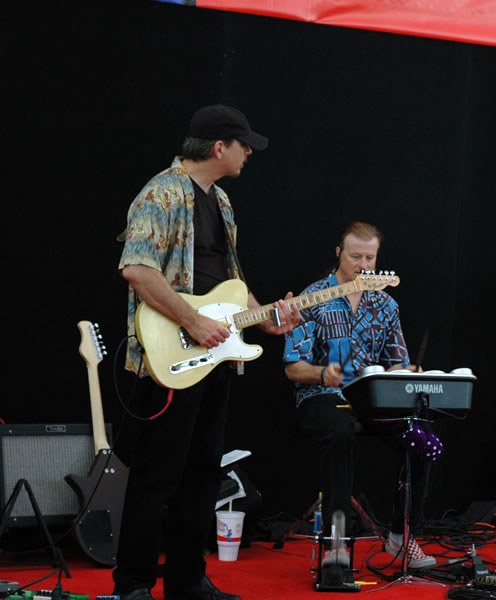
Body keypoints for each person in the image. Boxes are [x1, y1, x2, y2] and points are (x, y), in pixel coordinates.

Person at [114, 104, 300, 600]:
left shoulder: (221, 202)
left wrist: (267, 317)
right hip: (170, 357)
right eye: (244, 146)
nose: (249, 154)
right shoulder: (161, 192)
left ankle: (187, 581)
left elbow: (230, 284)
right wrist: (192, 321)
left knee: (201, 475)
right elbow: (137, 269)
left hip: (215, 356)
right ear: (219, 147)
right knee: (157, 476)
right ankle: (133, 584)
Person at [283, 221, 436, 569]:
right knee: (339, 433)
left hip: (368, 397)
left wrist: (408, 372)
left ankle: (402, 536)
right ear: (339, 253)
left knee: (421, 436)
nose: (364, 265)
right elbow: (293, 367)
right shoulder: (312, 298)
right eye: (356, 257)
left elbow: (396, 364)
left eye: (370, 258)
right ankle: (336, 541)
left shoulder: (385, 305)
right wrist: (323, 373)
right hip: (321, 394)